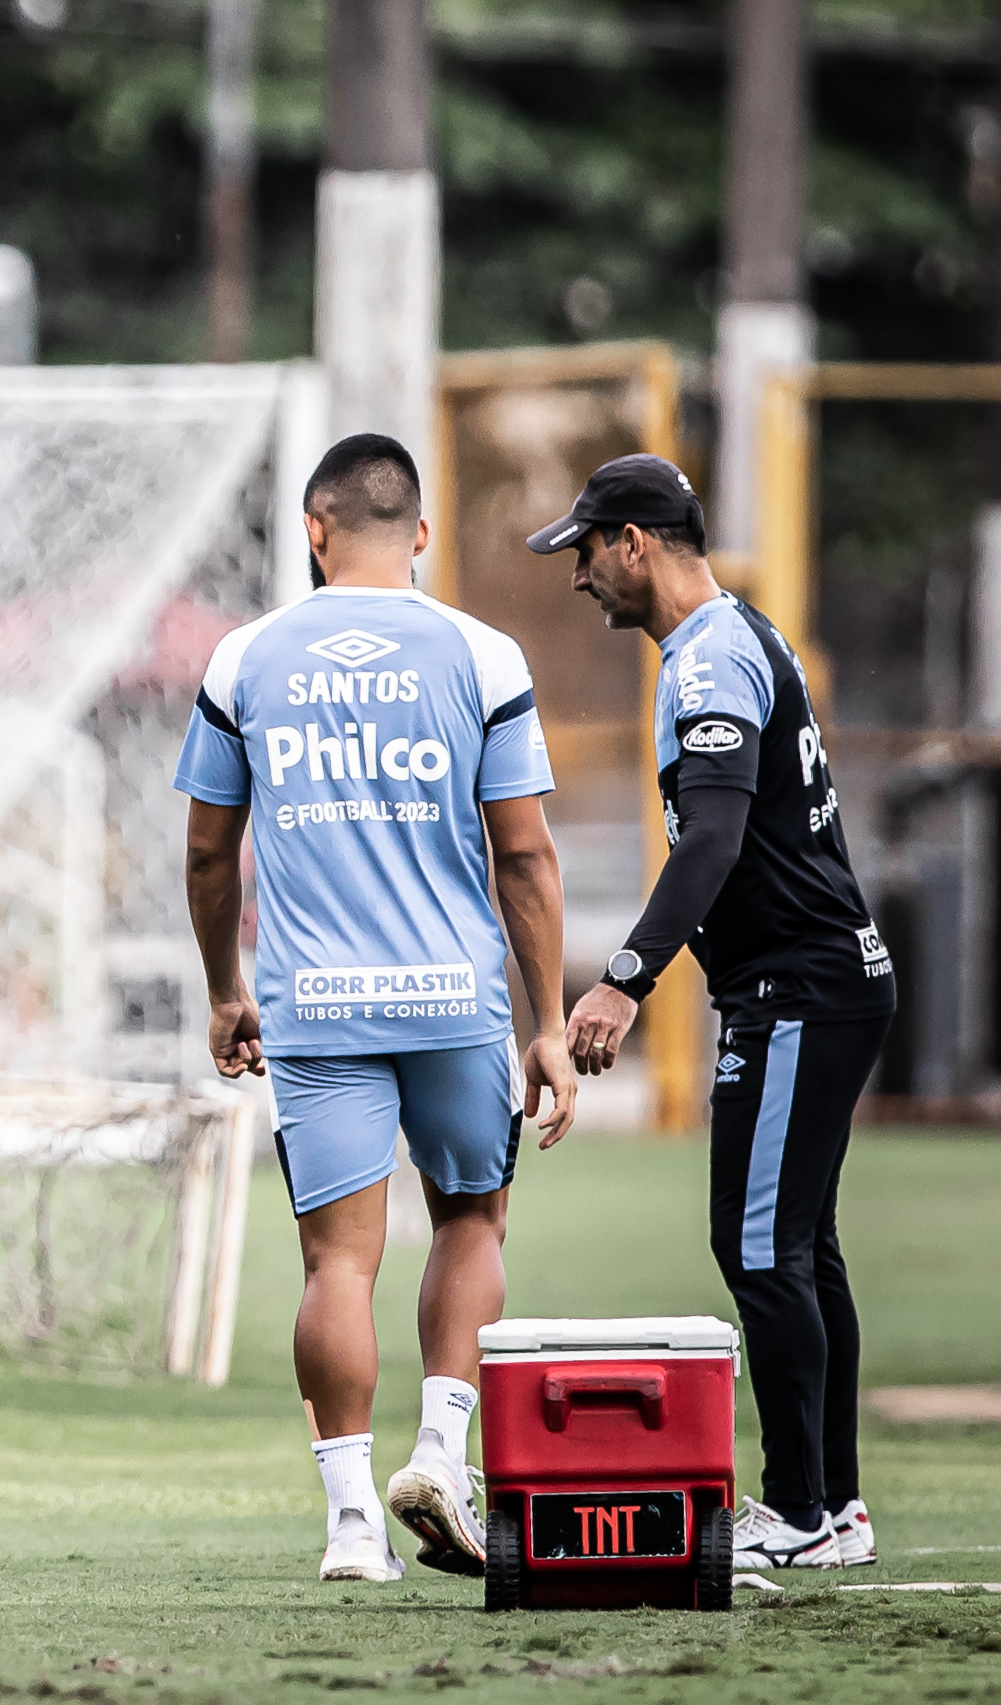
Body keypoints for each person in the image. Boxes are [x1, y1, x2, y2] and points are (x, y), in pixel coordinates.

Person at [177, 433, 576, 1584]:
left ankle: (352, 1522)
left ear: (312, 529)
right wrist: (543, 1020)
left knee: (335, 1267)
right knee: (470, 1221)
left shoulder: (244, 656)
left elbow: (209, 853)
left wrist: (224, 989)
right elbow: (527, 856)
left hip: (318, 1008)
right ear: (420, 533)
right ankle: (440, 1455)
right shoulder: (482, 654)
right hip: (455, 1000)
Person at [532, 455, 897, 1574]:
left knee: (757, 1244)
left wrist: (622, 977)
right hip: (817, 980)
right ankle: (829, 1507)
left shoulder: (709, 660)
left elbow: (716, 839)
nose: (580, 576)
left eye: (586, 550)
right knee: (798, 1246)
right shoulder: (738, 636)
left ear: (634, 541)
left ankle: (795, 1509)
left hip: (799, 986)